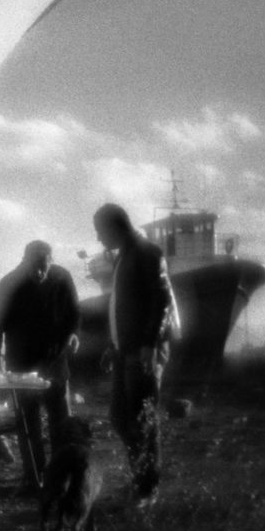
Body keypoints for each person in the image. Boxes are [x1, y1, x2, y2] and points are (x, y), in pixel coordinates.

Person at [92, 203, 177, 508]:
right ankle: (140, 480)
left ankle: (146, 489)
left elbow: (162, 300)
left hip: (143, 352)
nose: (100, 239)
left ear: (116, 226)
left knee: (143, 420)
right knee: (119, 416)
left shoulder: (146, 252)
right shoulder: (125, 256)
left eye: (101, 232)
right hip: (124, 351)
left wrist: (151, 344)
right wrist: (112, 345)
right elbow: (124, 307)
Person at [0, 240, 80, 493]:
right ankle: (34, 478)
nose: (40, 273)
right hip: (22, 366)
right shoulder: (9, 284)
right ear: (24, 261)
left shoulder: (62, 277)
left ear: (51, 261)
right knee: (29, 425)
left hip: (55, 361)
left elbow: (73, 313)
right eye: (34, 267)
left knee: (61, 423)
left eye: (44, 267)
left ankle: (61, 478)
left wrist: (73, 334)